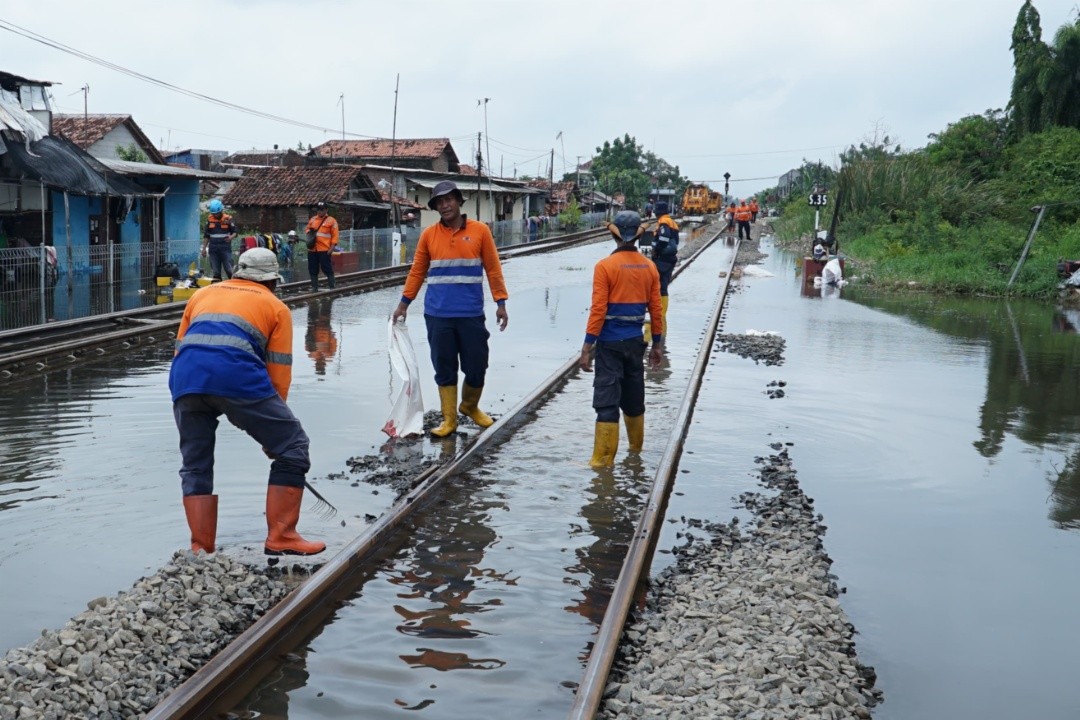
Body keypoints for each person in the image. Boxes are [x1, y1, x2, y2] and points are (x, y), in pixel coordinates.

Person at [170, 247, 325, 557]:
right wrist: (274, 438)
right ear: (272, 281)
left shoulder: (202, 295)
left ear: (238, 272)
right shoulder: (275, 306)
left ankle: (201, 548)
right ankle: (282, 536)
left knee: (195, 463)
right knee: (294, 447)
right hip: (235, 377)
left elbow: (180, 348)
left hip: (185, 380)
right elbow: (278, 373)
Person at [391, 180, 509, 437]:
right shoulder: (429, 235)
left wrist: (501, 303)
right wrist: (403, 304)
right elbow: (417, 272)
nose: (444, 205)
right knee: (444, 367)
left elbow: (493, 269)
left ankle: (469, 406)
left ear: (458, 200)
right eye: (439, 202)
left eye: (448, 200)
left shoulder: (480, 232)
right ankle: (449, 420)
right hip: (438, 315)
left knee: (477, 365)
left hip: (470, 314)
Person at [579, 210, 664, 468]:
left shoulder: (605, 266)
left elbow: (598, 310)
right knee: (634, 398)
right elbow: (656, 310)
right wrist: (657, 345)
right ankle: (635, 451)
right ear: (639, 235)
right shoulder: (649, 267)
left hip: (609, 346)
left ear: (613, 233)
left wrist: (586, 347)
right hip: (635, 344)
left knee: (607, 403)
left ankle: (602, 465)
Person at [644, 200, 678, 341]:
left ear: (657, 211)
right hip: (668, 258)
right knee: (662, 286)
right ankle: (661, 316)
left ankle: (659, 315)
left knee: (659, 286)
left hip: (663, 259)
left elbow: (663, 239)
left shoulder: (664, 222)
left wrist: (656, 250)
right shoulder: (670, 221)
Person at [305, 201, 339, 291]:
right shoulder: (312, 219)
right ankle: (314, 287)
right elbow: (307, 229)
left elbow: (335, 236)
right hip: (312, 249)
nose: (319, 211)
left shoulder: (331, 221)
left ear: (326, 210)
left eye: (321, 210)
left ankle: (332, 286)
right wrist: (309, 232)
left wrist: (332, 248)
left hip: (324, 249)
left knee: (327, 268)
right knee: (312, 268)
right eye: (318, 210)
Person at [202, 198, 237, 281]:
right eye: (213, 213)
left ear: (221, 211)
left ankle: (233, 285)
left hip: (225, 248)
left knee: (229, 270)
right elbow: (206, 236)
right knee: (216, 272)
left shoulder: (228, 219)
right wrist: (204, 249)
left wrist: (231, 237)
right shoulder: (209, 220)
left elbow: (235, 232)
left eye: (217, 213)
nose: (215, 215)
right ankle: (217, 287)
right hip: (213, 249)